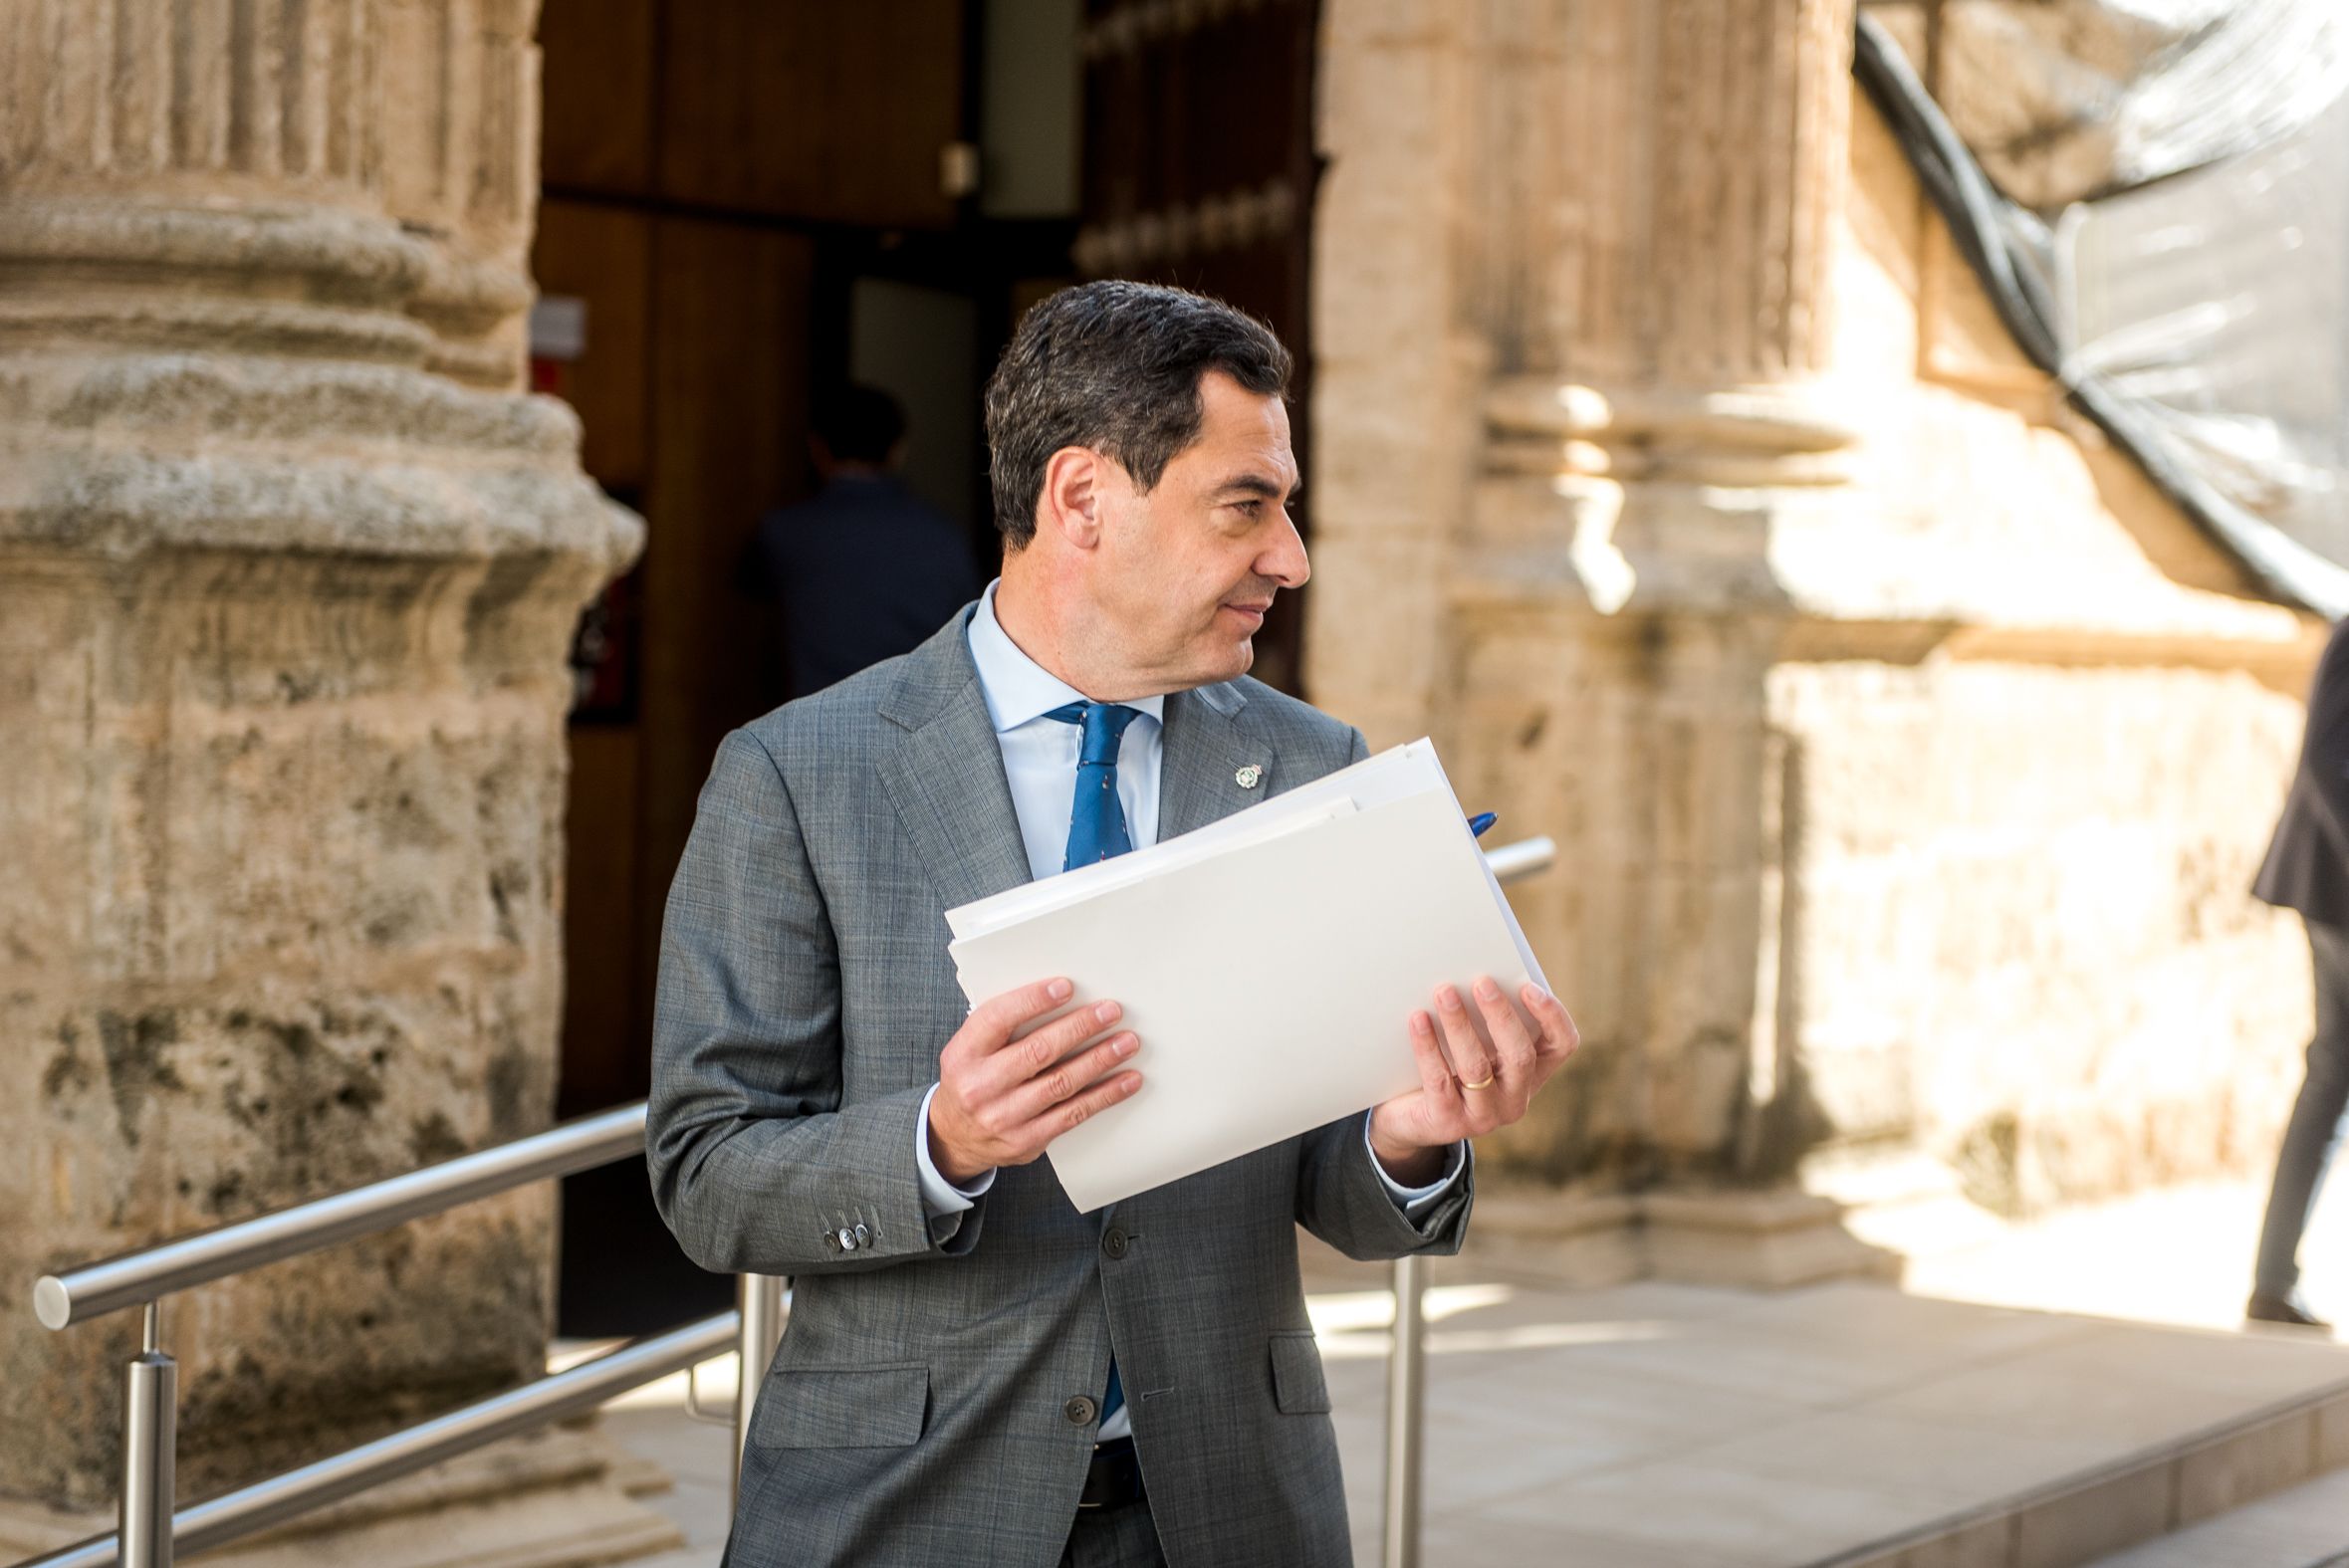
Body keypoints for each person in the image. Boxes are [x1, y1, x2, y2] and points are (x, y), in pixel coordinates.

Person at [647, 281, 1578, 1567]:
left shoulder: (1313, 766)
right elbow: (708, 1175)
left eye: (1285, 505)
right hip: (901, 1508)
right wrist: (942, 1138)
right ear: (1081, 496)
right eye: (1245, 505)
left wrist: (1405, 1134)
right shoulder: (797, 770)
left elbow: (1345, 1197)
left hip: (1227, 1506)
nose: (1290, 556)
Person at [752, 382, 984, 700]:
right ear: (898, 451)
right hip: (917, 728)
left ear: (816, 448)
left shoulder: (782, 533)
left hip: (815, 727)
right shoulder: (944, 537)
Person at [2248, 616, 2349, 1331]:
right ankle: (2270, 1280)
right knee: (2329, 1076)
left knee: (2330, 1077)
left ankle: (2271, 1281)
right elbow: (2326, 763)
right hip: (2337, 890)